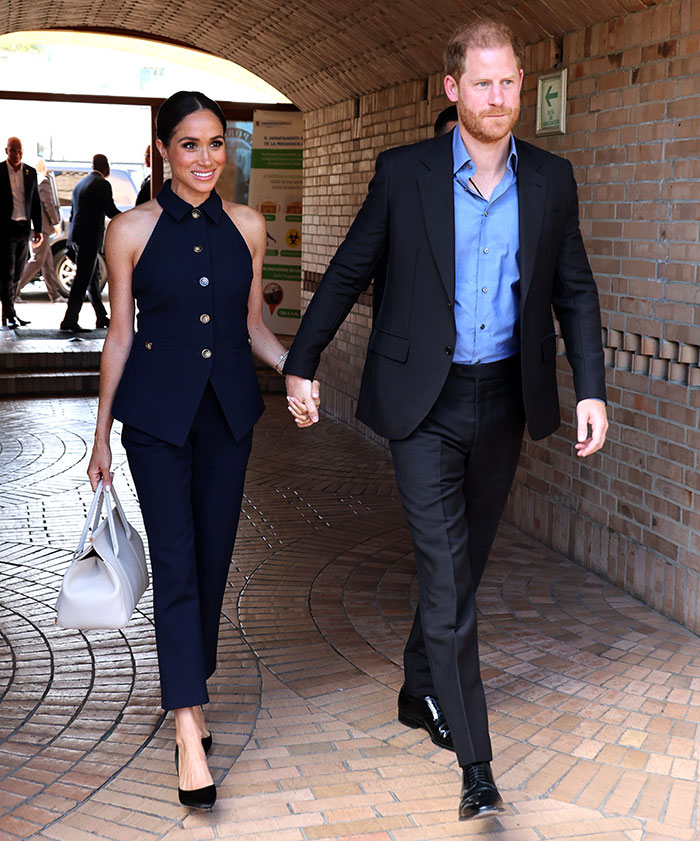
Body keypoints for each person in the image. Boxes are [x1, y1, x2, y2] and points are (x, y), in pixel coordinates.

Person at [284, 19, 608, 820]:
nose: (498, 98)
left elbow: (576, 289)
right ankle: (477, 764)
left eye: (510, 83)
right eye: (482, 83)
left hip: (503, 398)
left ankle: (416, 684)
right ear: (452, 88)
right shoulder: (406, 174)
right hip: (421, 403)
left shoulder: (552, 180)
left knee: (465, 566)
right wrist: (302, 359)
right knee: (447, 577)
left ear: (521, 86)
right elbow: (352, 268)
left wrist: (592, 387)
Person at [86, 90, 309, 810]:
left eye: (217, 143)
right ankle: (187, 725)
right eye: (189, 144)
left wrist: (292, 370)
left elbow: (253, 328)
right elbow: (118, 335)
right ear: (162, 151)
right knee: (178, 562)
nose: (206, 158)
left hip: (227, 419)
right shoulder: (129, 229)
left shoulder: (247, 226)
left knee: (213, 562)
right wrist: (99, 437)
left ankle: (190, 686)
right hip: (154, 421)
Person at [60, 153, 120, 332]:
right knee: (82, 280)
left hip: (78, 238)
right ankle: (69, 320)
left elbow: (72, 215)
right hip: (90, 239)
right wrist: (130, 218)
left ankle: (101, 317)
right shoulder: (102, 184)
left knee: (92, 280)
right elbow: (110, 210)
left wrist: (70, 244)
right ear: (105, 166)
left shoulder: (80, 184)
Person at [0, 136, 42, 328]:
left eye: (19, 150)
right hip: (6, 228)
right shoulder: (0, 171)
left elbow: (35, 202)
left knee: (18, 273)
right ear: (6, 150)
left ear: (22, 152)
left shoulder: (30, 172)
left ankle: (9, 311)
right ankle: (9, 315)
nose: (16, 154)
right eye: (13, 150)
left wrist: (38, 229)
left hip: (23, 228)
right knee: (6, 273)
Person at [16, 159, 64, 303]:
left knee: (47, 263)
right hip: (41, 228)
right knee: (37, 260)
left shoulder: (29, 181)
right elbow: (48, 204)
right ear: (43, 167)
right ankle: (13, 291)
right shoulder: (42, 181)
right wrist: (56, 223)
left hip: (33, 226)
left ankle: (54, 295)